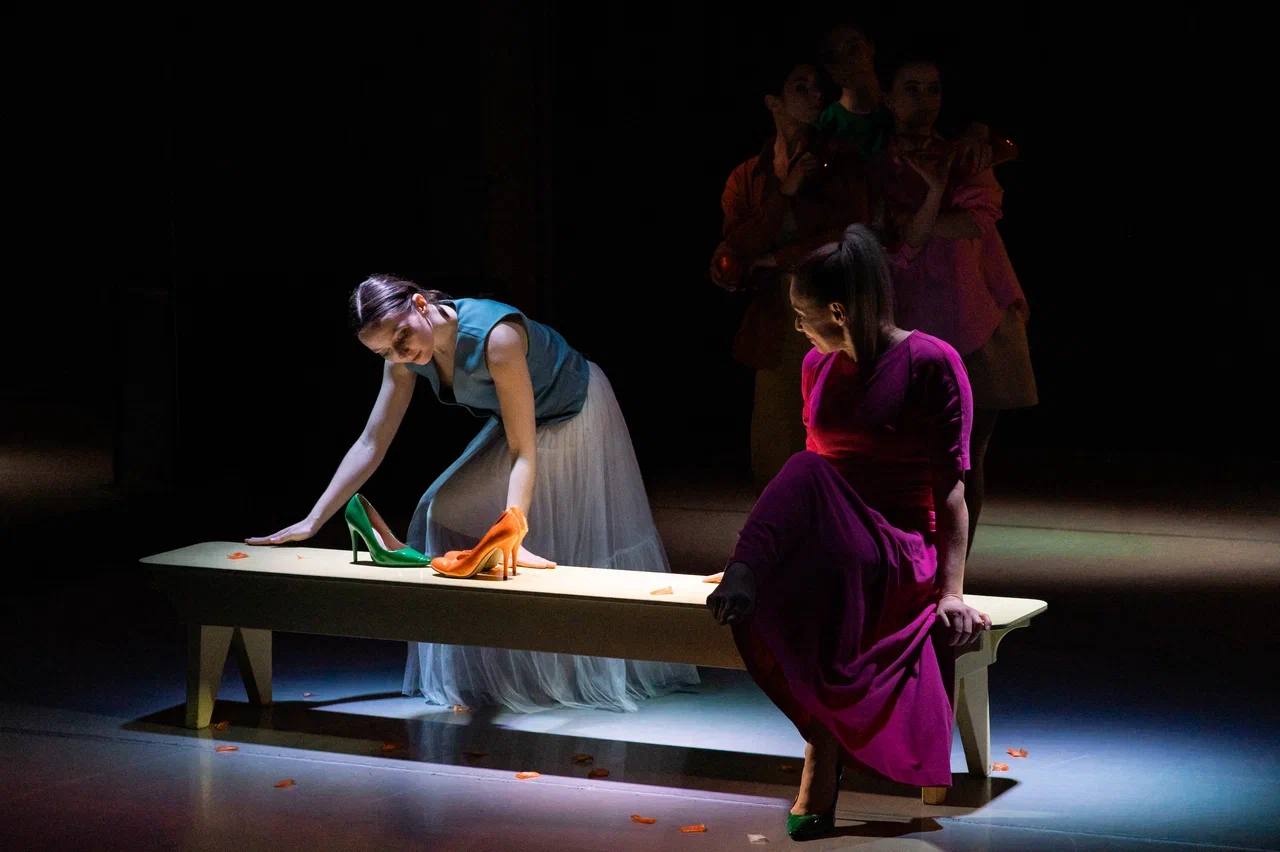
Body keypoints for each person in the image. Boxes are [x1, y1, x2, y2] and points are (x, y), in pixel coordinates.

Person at [249, 275, 699, 712]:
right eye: (384, 351)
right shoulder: (404, 358)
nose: (400, 354)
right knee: (440, 509)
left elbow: (523, 451)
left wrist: (515, 527)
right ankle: (497, 665)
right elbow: (372, 441)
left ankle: (561, 660)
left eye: (401, 338)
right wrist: (314, 519)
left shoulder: (496, 337)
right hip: (524, 422)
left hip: (572, 408)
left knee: (493, 525)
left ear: (421, 304)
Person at [706, 226, 990, 840]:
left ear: (837, 312)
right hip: (838, 542)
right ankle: (820, 734)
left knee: (805, 472)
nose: (798, 328)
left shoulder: (932, 363)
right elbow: (813, 479)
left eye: (802, 316)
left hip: (900, 545)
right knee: (809, 476)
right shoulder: (817, 366)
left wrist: (951, 592)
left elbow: (953, 491)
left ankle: (820, 751)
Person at [875, 56, 1038, 551]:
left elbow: (978, 218)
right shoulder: (873, 162)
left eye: (933, 89)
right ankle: (907, 557)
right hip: (906, 322)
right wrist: (917, 225)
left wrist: (919, 224)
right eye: (911, 89)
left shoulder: (961, 155)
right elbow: (891, 238)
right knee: (905, 452)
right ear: (888, 98)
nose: (924, 100)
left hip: (975, 318)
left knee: (968, 457)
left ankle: (953, 569)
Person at [710, 60, 872, 488]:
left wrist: (780, 258)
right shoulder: (750, 175)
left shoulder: (839, 161)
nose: (815, 95)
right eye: (800, 87)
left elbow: (852, 232)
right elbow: (737, 246)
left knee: (834, 430)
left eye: (817, 87)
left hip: (831, 309)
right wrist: (783, 192)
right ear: (774, 102)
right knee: (776, 432)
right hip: (776, 317)